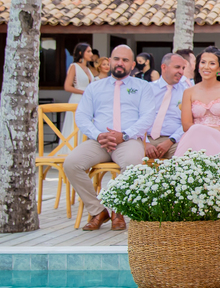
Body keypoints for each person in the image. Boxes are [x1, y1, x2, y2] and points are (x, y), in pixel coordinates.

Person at [63, 45, 153, 231]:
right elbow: (82, 116)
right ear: (110, 61)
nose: (120, 63)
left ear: (132, 64)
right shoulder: (94, 88)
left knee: (133, 163)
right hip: (99, 141)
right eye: (117, 59)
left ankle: (117, 211)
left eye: (125, 60)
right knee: (71, 163)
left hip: (128, 140)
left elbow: (148, 116)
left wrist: (125, 135)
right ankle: (98, 211)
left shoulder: (143, 87)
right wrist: (98, 135)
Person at [175, 48, 220, 157]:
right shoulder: (188, 92)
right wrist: (203, 133)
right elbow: (186, 125)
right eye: (203, 62)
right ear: (198, 66)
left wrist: (212, 133)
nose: (206, 66)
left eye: (212, 63)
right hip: (195, 138)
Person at [142, 53, 188, 160]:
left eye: (183, 68)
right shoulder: (147, 89)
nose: (181, 72)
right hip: (144, 139)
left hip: (173, 141)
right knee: (131, 155)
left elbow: (188, 122)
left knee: (186, 158)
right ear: (164, 67)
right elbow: (137, 117)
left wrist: (170, 141)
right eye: (177, 67)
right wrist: (146, 143)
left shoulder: (186, 92)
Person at [62, 42, 95, 144]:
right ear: (81, 53)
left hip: (87, 101)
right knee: (74, 125)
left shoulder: (89, 69)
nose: (91, 54)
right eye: (88, 51)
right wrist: (84, 92)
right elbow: (67, 86)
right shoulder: (74, 66)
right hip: (77, 99)